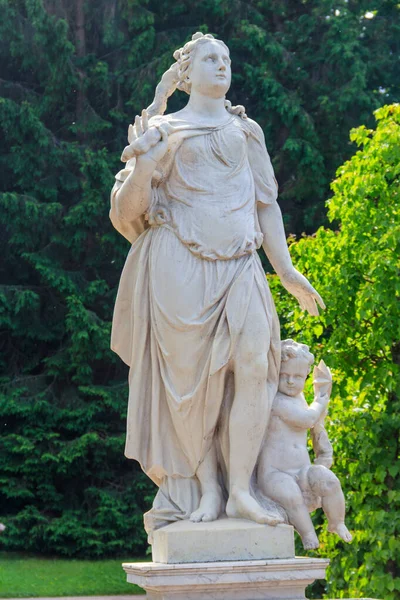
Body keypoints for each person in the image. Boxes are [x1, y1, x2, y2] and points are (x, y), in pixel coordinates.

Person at [110, 32, 325, 538]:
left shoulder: (246, 131)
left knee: (255, 367)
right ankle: (209, 489)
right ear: (186, 73)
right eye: (210, 58)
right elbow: (127, 212)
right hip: (178, 268)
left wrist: (287, 271)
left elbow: (266, 204)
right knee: (192, 386)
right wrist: (142, 164)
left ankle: (244, 490)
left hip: (242, 265)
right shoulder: (163, 130)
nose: (222, 65)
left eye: (226, 58)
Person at [257, 339, 352, 549]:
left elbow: (315, 427)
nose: (291, 382)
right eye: (284, 376)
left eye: (298, 377)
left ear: (306, 376)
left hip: (302, 470)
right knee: (291, 495)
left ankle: (337, 522)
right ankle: (308, 535)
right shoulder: (275, 401)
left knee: (329, 481)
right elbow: (307, 419)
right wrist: (320, 399)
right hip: (274, 474)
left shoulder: (298, 399)